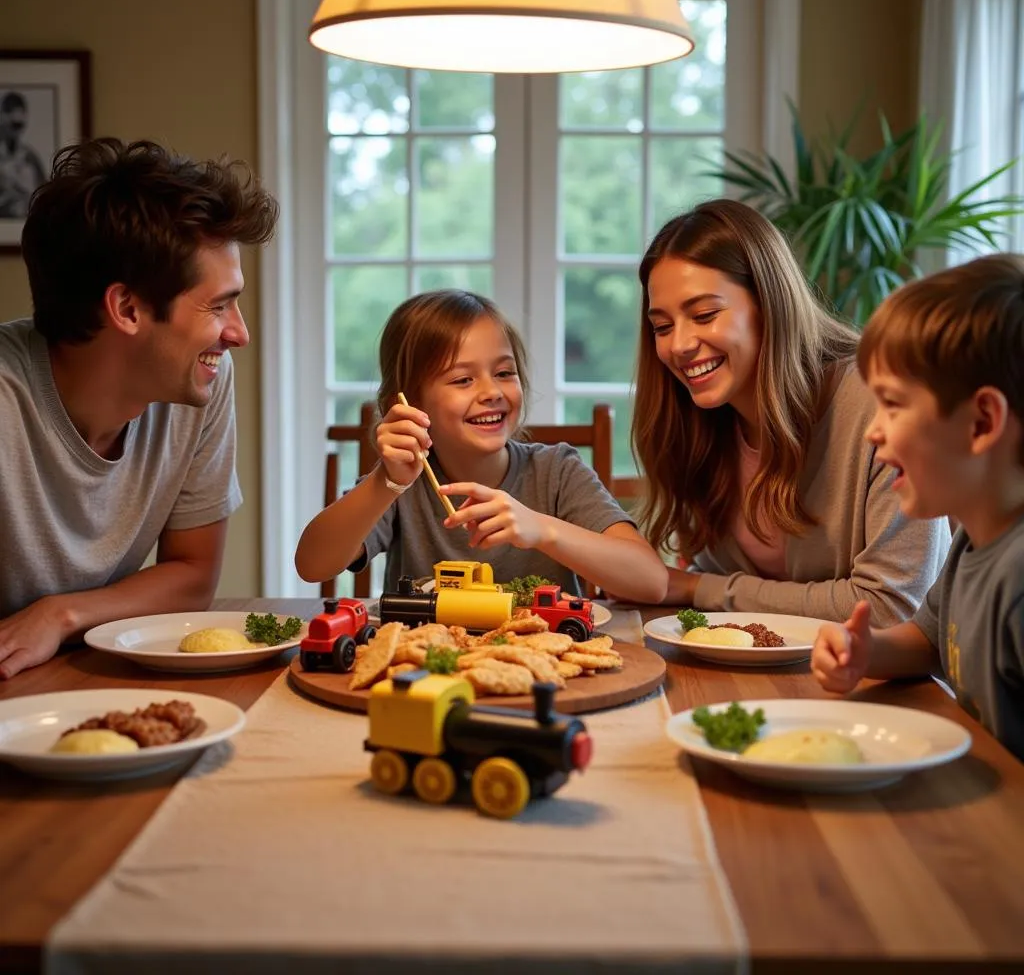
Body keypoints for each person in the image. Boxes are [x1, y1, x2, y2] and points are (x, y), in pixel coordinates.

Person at [0, 136, 278, 678]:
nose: (239, 333)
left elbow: (193, 573)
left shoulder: (202, 382)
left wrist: (60, 615)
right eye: (218, 305)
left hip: (82, 671)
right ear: (127, 308)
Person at [632, 199, 951, 625]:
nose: (679, 345)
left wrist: (698, 588)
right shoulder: (698, 424)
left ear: (769, 303)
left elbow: (890, 607)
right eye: (662, 326)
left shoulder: (880, 405)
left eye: (704, 315)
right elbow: (713, 579)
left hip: (882, 687)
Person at [295, 289, 668, 602]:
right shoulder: (399, 487)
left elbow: (651, 581)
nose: (491, 392)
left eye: (505, 373)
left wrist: (542, 529)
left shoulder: (557, 472)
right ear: (408, 403)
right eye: (462, 380)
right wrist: (383, 483)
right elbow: (312, 565)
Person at [812, 254, 1024, 759]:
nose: (872, 430)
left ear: (981, 423)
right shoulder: (974, 538)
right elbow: (931, 643)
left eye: (893, 404)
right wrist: (868, 652)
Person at [0, 91, 47, 218]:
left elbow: (43, 196)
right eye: (12, 125)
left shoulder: (30, 157)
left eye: (19, 126)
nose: (16, 132)